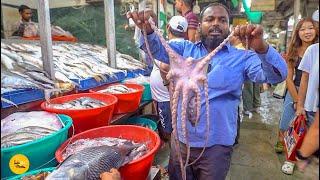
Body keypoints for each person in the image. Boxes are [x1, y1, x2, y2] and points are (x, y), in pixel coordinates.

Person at [127, 2, 287, 179]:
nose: (215, 24)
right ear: (200, 25)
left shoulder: (243, 57)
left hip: (217, 147)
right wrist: (148, 30)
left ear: (229, 26)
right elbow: (156, 49)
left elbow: (276, 76)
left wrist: (262, 48)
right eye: (209, 19)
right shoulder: (184, 50)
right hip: (181, 142)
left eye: (222, 20)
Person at [274, 18, 318, 158]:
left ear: (316, 30)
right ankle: (283, 141)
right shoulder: (293, 51)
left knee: (307, 125)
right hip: (295, 89)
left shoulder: (317, 50)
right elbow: (289, 78)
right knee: (286, 122)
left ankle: (299, 152)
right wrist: (297, 100)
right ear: (298, 33)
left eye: (310, 28)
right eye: (303, 29)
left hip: (313, 93)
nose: (307, 32)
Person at [150, 15, 188, 143]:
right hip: (175, 97)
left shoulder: (168, 46)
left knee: (169, 131)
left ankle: (176, 158)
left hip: (166, 98)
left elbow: (164, 66)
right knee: (178, 128)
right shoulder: (187, 46)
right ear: (185, 32)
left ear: (168, 28)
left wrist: (166, 84)